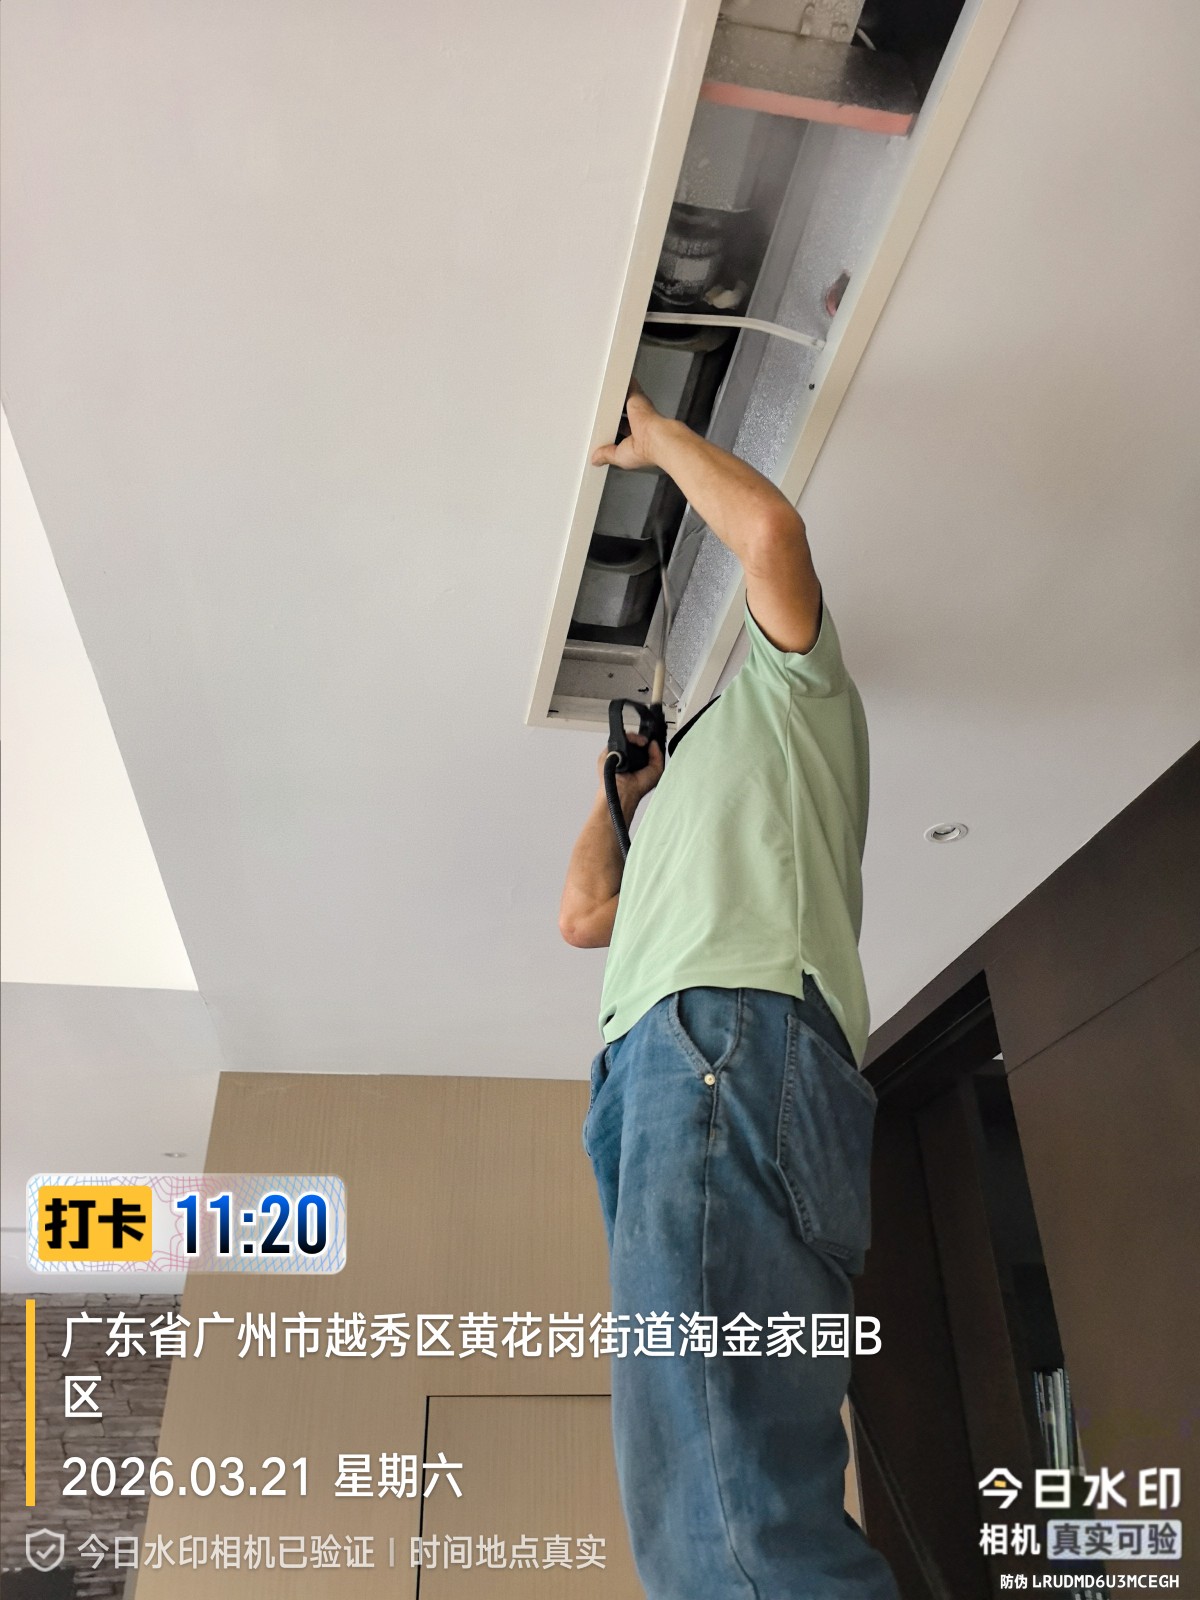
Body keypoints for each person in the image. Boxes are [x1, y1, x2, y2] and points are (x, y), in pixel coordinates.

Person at [558, 382, 899, 1599]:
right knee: (721, 1496)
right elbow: (581, 915)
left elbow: (771, 537)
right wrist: (623, 796)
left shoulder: (791, 694)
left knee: (716, 1515)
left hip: (722, 1038)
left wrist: (656, 439)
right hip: (680, 1061)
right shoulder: (670, 810)